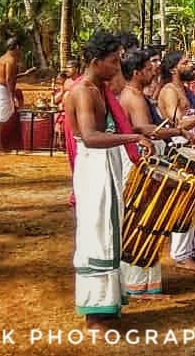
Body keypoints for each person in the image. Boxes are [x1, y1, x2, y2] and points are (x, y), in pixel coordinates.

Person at [64, 31, 150, 331]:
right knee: (97, 234)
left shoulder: (101, 88)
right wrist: (133, 137)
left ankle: (107, 303)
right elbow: (89, 136)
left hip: (107, 163)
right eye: (113, 62)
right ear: (96, 61)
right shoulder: (83, 91)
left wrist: (139, 135)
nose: (117, 67)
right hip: (93, 165)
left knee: (111, 229)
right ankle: (94, 312)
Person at [118, 48, 184, 299]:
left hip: (147, 159)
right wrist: (176, 132)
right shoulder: (132, 96)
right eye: (148, 68)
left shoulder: (138, 94)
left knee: (152, 218)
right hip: (139, 162)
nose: (153, 70)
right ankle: (135, 284)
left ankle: (147, 284)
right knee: (140, 219)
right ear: (136, 73)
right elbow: (145, 128)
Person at [157, 51, 195, 269]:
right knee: (184, 201)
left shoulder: (187, 90)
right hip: (180, 150)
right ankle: (181, 254)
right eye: (185, 62)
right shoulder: (169, 91)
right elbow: (178, 123)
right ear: (173, 69)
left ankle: (192, 250)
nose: (192, 65)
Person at [0, 38, 23, 152]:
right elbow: (8, 79)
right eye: (19, 48)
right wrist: (11, 95)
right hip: (1, 89)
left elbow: (7, 77)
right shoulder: (10, 60)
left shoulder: (1, 58)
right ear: (16, 47)